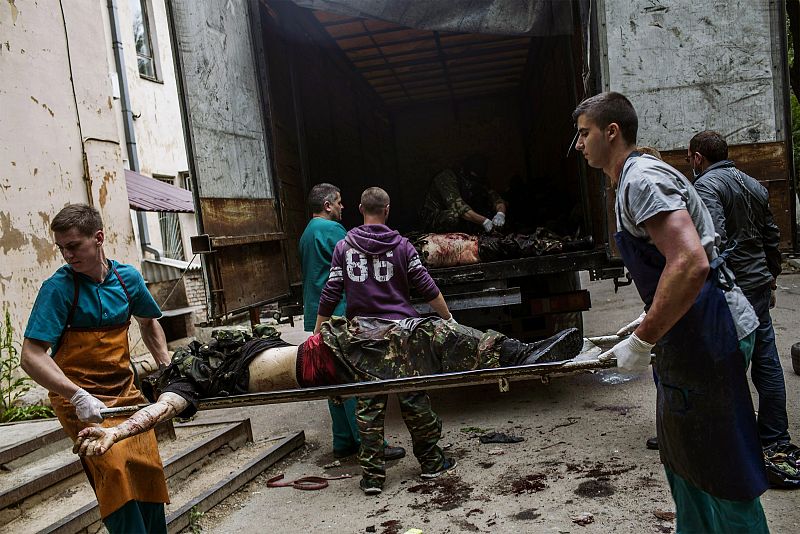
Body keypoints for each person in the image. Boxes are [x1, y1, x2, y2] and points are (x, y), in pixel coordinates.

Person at [573, 93, 769, 533]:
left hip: (712, 330)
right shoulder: (628, 179)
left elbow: (690, 262)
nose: (579, 144)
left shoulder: (642, 180)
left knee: (723, 470)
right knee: (685, 463)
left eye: (584, 134)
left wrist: (643, 338)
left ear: (612, 132)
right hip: (686, 333)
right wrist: (647, 323)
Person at [71, 318, 583, 457]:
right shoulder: (184, 382)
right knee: (424, 334)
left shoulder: (189, 358)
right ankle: (519, 354)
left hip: (325, 349)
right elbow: (158, 411)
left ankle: (518, 350)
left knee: (421, 336)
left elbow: (153, 345)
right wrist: (114, 432)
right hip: (326, 359)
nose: (155, 364)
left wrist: (149, 360)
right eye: (150, 370)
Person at [20, 203, 171, 534]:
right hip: (80, 401)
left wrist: (167, 367)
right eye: (61, 248)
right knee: (113, 469)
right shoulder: (58, 289)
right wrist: (76, 395)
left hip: (125, 393)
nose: (67, 255)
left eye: (74, 246)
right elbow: (31, 356)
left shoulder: (127, 279)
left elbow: (148, 323)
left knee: (147, 465)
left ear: (98, 238)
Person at [314, 186, 457, 495]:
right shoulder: (403, 246)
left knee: (368, 406)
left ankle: (373, 478)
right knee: (414, 399)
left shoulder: (344, 247)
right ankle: (432, 464)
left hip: (363, 337)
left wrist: (317, 332)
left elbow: (331, 292)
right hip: (402, 334)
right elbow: (426, 286)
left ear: (360, 209)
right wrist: (448, 318)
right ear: (387, 210)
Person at [687, 130, 799, 486]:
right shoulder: (753, 184)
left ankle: (729, 445)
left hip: (733, 291)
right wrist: (771, 278)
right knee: (767, 363)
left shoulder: (706, 186)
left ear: (698, 157)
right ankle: (775, 438)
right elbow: (771, 237)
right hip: (758, 284)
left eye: (690, 158)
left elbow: (712, 242)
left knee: (723, 368)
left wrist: (708, 292)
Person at [298, 184, 404, 461]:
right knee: (354, 376)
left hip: (317, 312)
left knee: (331, 375)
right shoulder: (332, 230)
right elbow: (355, 258)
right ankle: (370, 443)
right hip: (338, 312)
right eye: (339, 202)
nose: (342, 206)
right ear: (327, 205)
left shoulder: (307, 233)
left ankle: (343, 439)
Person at [420, 154, 508, 234]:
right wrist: (484, 221)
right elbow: (458, 207)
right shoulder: (446, 177)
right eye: (472, 176)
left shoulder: (479, 180)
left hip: (465, 215)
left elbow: (496, 198)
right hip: (436, 217)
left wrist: (500, 214)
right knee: (453, 217)